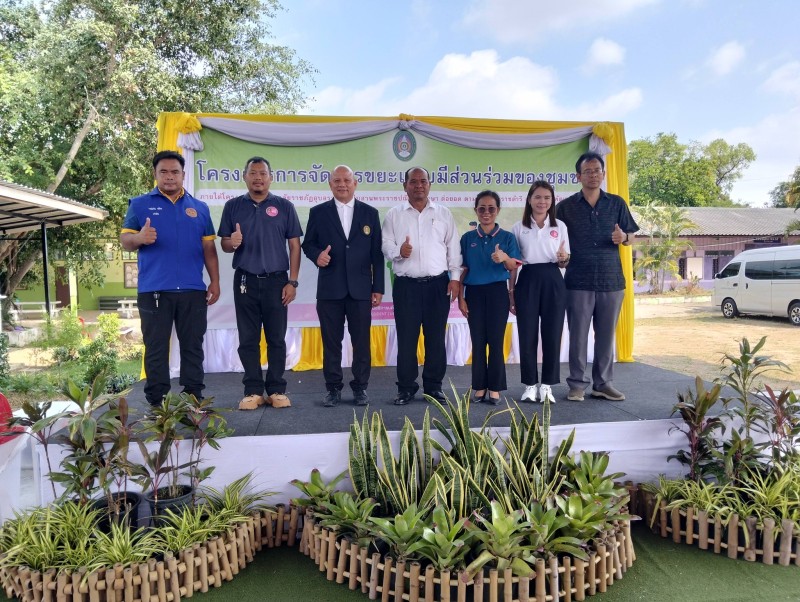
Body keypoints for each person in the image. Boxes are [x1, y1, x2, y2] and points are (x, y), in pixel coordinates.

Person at [120, 150, 220, 407]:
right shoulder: (139, 204)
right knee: (155, 348)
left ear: (183, 175)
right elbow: (125, 241)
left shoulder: (200, 208)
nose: (169, 177)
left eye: (175, 172)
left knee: (193, 346)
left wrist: (215, 281)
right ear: (155, 174)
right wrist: (139, 238)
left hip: (192, 290)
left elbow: (209, 248)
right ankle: (157, 403)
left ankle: (193, 399)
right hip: (154, 290)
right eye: (163, 172)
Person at [218, 157, 302, 410]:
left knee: (276, 338)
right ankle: (253, 390)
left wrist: (293, 282)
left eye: (262, 173)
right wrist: (231, 242)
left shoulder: (284, 206)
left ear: (270, 178)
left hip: (278, 281)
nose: (258, 178)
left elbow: (295, 246)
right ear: (244, 177)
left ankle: (276, 389)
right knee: (248, 338)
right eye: (253, 173)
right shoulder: (233, 206)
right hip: (245, 280)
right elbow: (224, 244)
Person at [556, 151, 638, 402]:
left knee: (605, 336)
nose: (593, 175)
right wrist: (561, 257)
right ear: (578, 176)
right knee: (578, 336)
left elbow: (632, 236)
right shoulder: (565, 207)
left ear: (604, 174)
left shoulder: (617, 203)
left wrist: (624, 237)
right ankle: (577, 384)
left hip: (611, 281)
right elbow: (555, 240)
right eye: (588, 171)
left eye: (597, 171)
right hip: (577, 281)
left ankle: (603, 384)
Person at [301, 165, 384, 407]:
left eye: (347, 180)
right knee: (331, 342)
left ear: (355, 183)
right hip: (330, 289)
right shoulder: (318, 212)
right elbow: (308, 244)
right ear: (330, 184)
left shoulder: (370, 213)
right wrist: (317, 255)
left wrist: (377, 287)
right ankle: (333, 388)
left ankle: (360, 387)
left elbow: (377, 254)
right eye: (337, 180)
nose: (342, 184)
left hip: (361, 289)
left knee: (361, 343)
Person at [382, 167, 462, 405]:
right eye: (413, 181)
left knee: (435, 338)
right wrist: (399, 251)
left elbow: (453, 248)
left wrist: (455, 278)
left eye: (423, 181)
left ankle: (433, 387)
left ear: (429, 185)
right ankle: (406, 388)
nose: (419, 185)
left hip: (438, 285)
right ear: (404, 186)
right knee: (407, 339)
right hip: (406, 286)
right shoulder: (394, 215)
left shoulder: (443, 213)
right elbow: (385, 245)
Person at [458, 191, 521, 404]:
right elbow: (462, 270)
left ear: (498, 210)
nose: (486, 212)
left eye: (491, 208)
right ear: (475, 210)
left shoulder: (507, 237)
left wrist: (504, 257)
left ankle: (495, 388)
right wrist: (461, 298)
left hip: (497, 293)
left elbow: (513, 266)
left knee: (495, 341)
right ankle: (479, 386)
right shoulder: (467, 238)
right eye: (482, 208)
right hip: (474, 294)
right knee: (478, 341)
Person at [511, 180, 570, 405]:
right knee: (527, 334)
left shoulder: (559, 226)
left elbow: (564, 261)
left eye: (547, 197)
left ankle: (547, 386)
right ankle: (529, 385)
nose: (542, 201)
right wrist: (511, 292)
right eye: (537, 197)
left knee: (552, 333)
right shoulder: (519, 227)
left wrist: (563, 259)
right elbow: (514, 264)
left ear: (552, 201)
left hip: (553, 279)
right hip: (527, 279)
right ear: (529, 200)